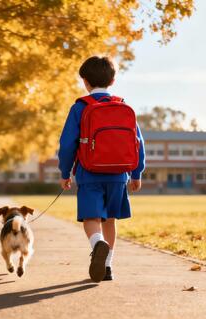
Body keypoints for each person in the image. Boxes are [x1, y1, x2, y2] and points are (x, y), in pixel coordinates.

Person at [58, 56, 145, 282]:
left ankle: (98, 244)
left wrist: (65, 173)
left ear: (85, 82)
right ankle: (107, 267)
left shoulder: (80, 107)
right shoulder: (124, 106)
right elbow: (138, 143)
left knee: (91, 218)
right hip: (118, 175)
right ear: (113, 81)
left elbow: (67, 144)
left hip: (89, 173)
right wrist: (136, 174)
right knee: (110, 220)